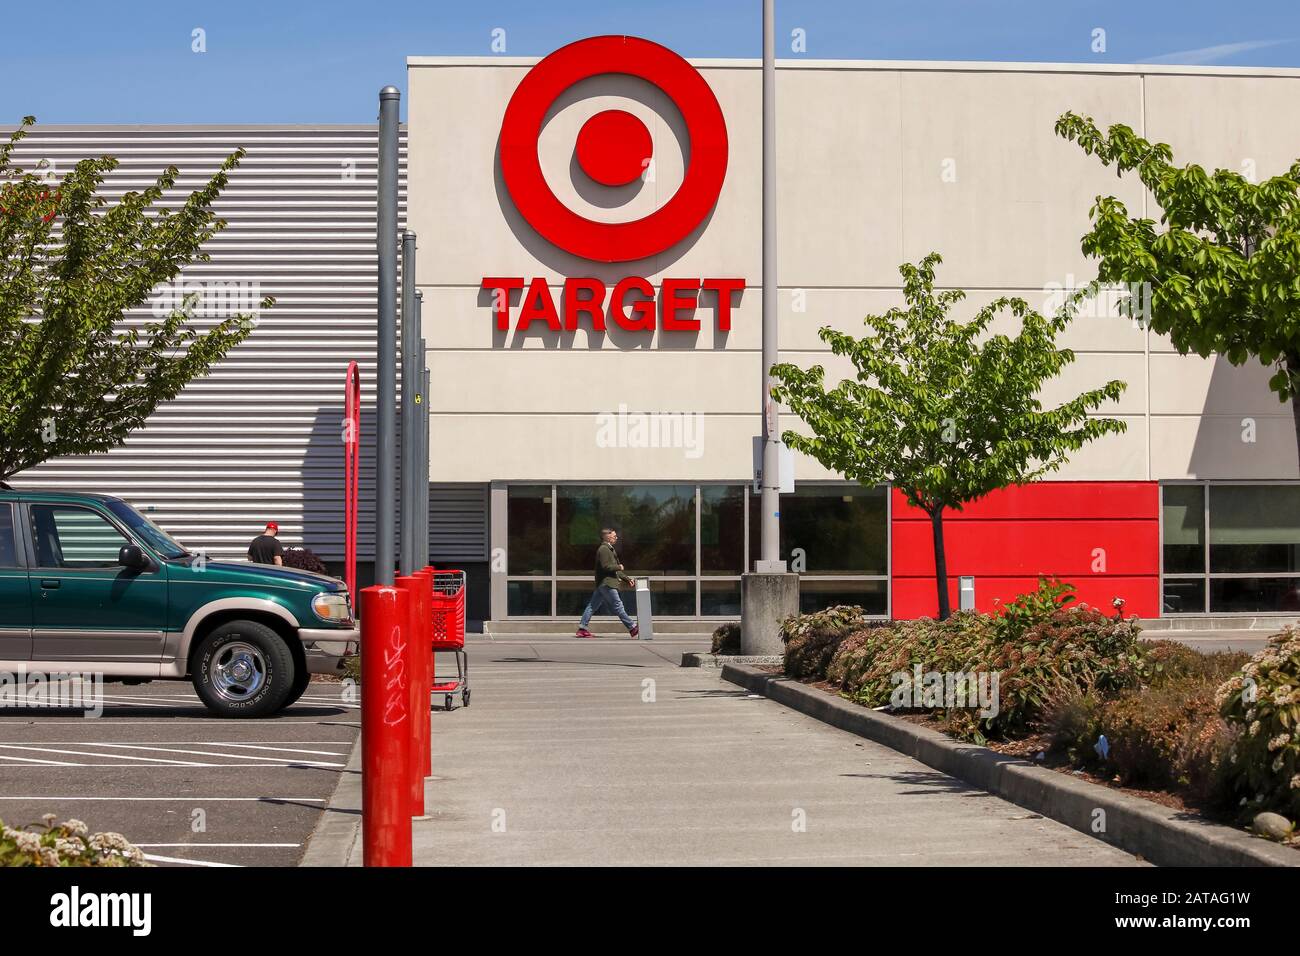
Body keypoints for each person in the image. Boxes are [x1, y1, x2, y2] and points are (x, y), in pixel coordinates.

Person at [576, 527, 638, 639]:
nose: (616, 538)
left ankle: (582, 629)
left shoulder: (608, 549)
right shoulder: (604, 549)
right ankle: (632, 627)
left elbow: (615, 570)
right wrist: (619, 566)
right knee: (618, 606)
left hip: (603, 583)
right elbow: (606, 567)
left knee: (592, 606)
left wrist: (627, 579)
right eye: (614, 536)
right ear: (607, 536)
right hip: (607, 583)